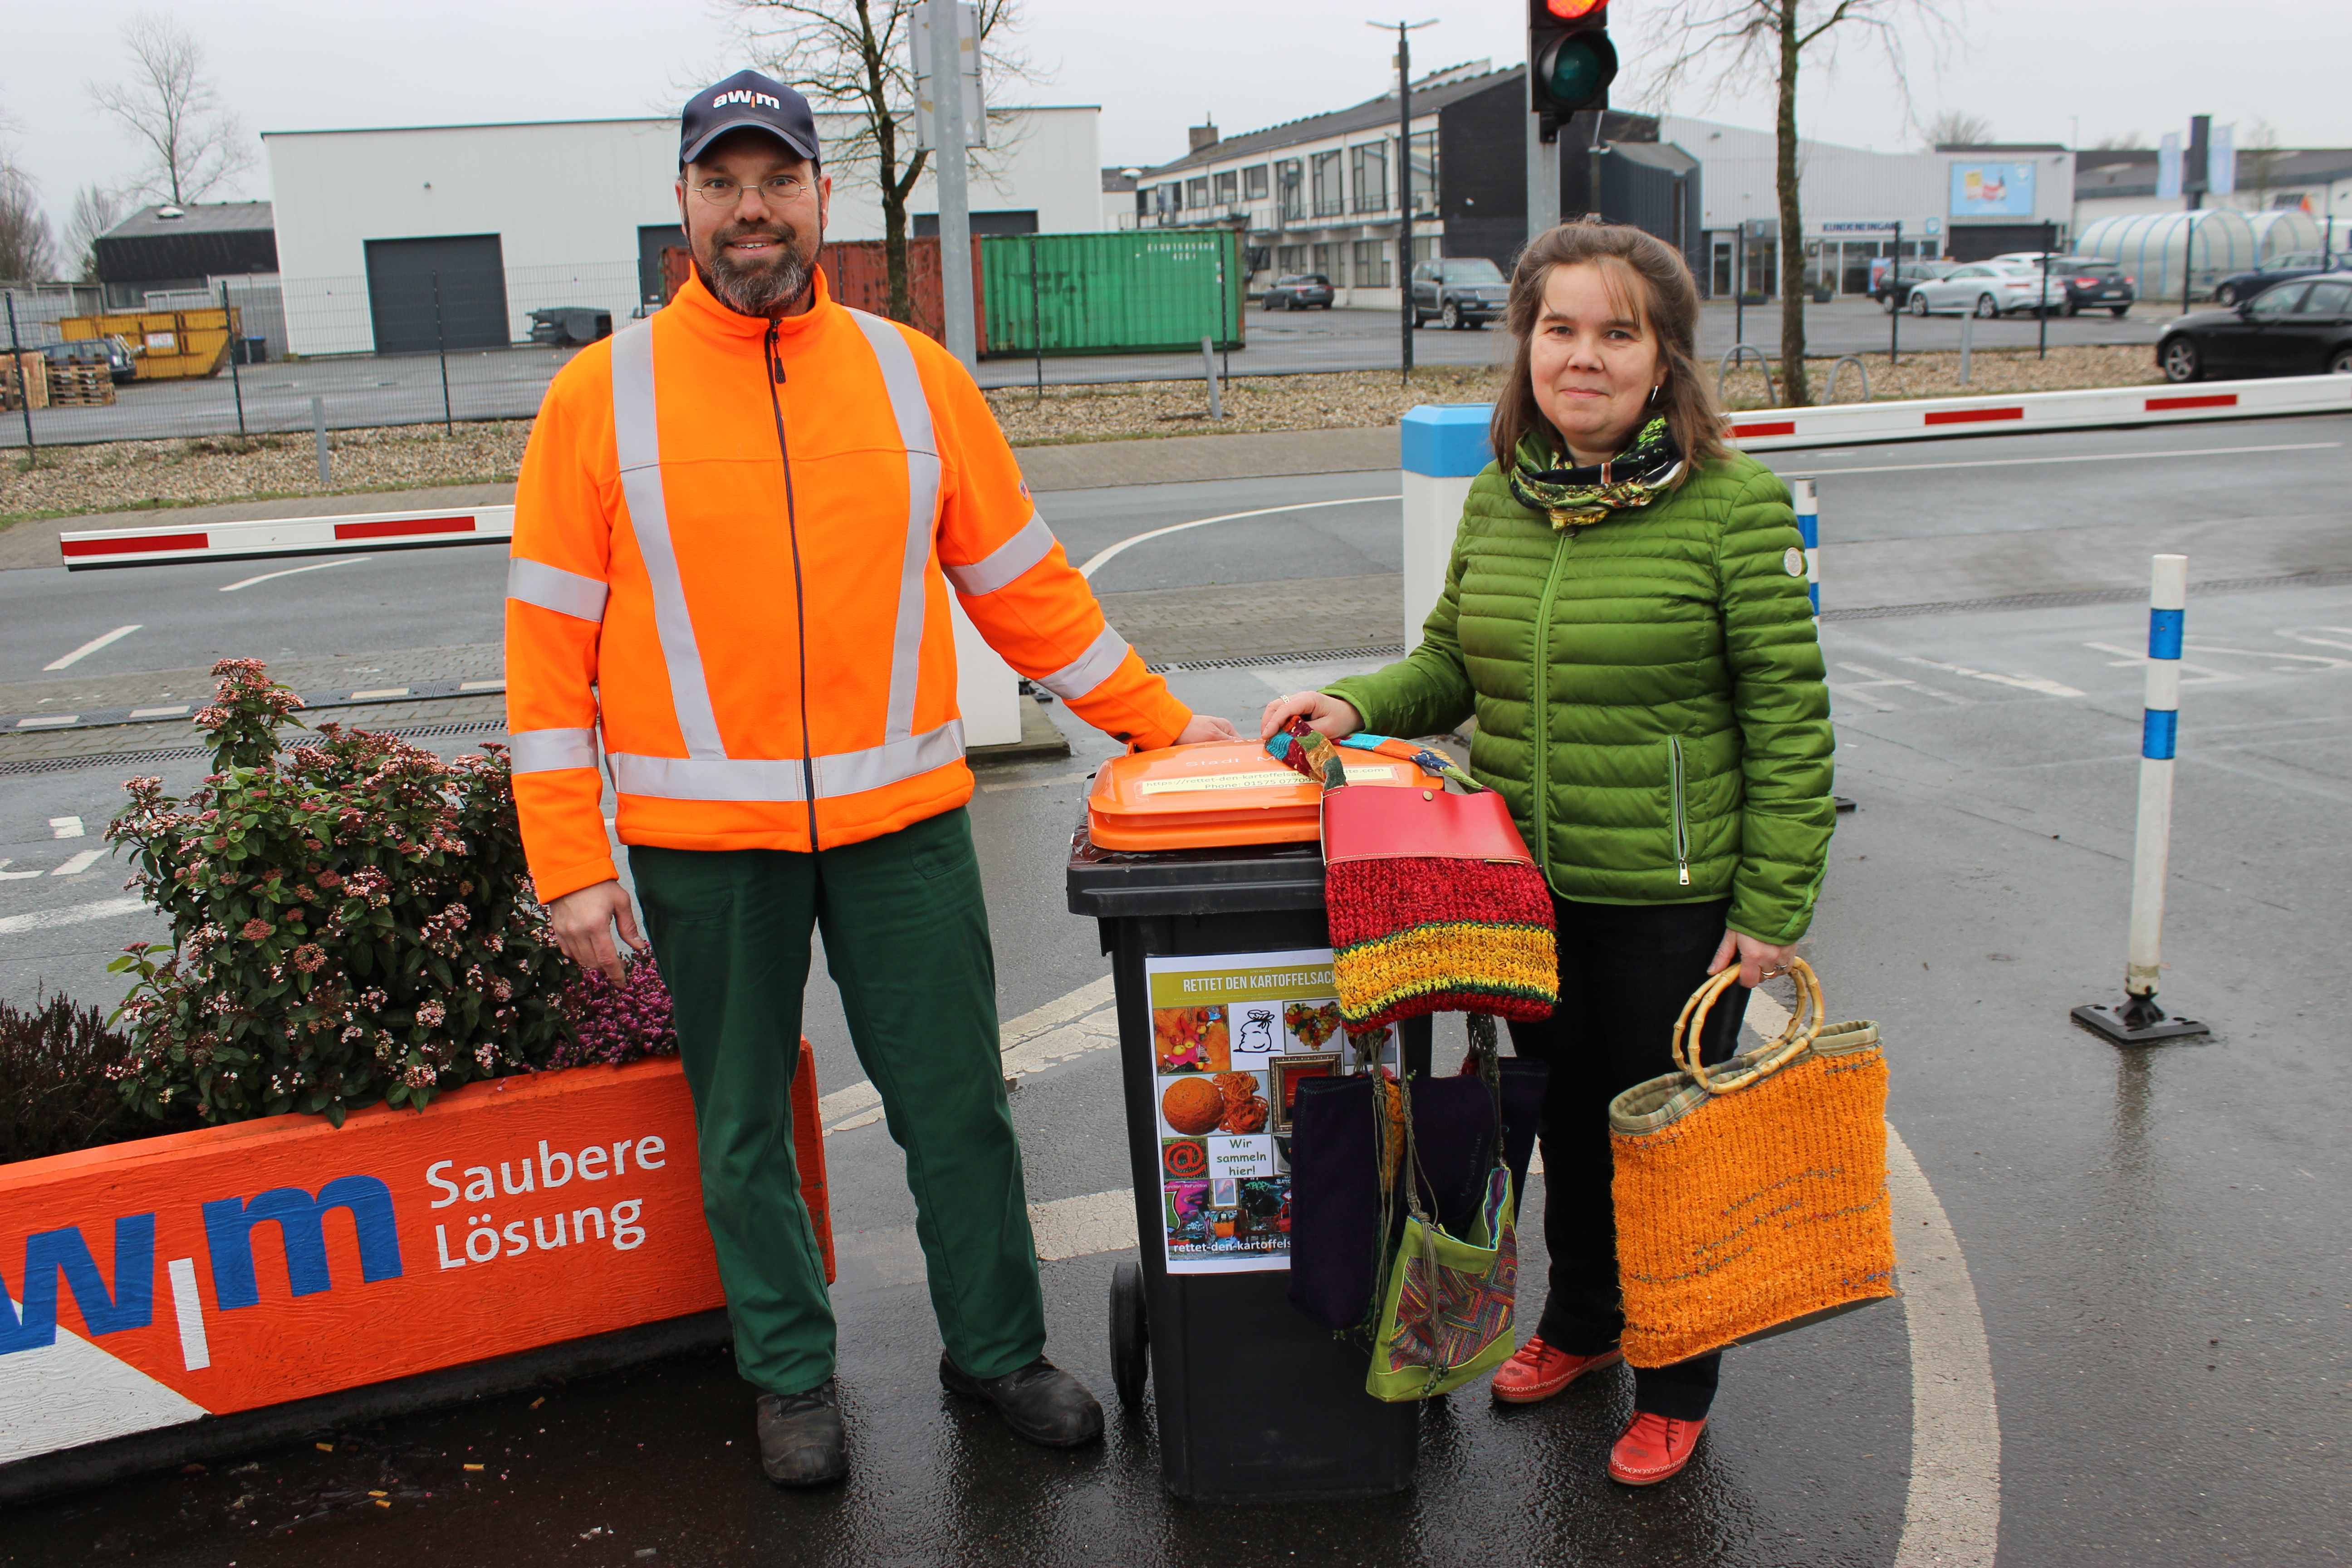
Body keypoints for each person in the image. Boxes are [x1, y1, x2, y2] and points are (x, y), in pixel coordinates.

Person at [506, 70, 1239, 1488]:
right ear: (682, 207)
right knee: (742, 1131)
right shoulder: (599, 398)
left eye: (777, 179)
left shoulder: (913, 376)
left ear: (822, 196)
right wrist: (571, 863)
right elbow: (546, 651)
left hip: (901, 828)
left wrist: (1160, 728)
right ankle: (790, 1376)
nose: (753, 209)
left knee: (958, 1106)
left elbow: (1025, 588)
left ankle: (998, 1352)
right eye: (723, 183)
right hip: (703, 844)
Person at [1261, 221, 1833, 1487]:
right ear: (1527, 346)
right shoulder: (1504, 496)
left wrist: (1772, 906)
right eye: (1560, 329)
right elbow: (1452, 660)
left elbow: (1791, 723)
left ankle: (1677, 1379)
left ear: (1665, 358)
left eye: (1619, 332)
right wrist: (1355, 703)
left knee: (1668, 1145)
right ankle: (1584, 1325)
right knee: (1561, 1126)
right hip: (1525, 892)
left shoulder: (1733, 507)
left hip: (1673, 905)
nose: (1586, 357)